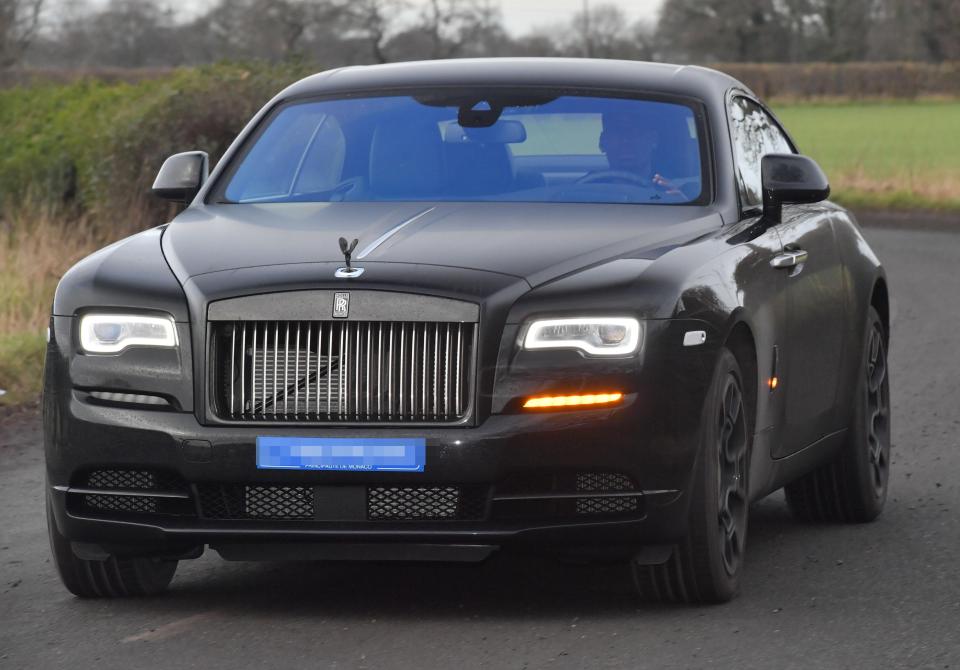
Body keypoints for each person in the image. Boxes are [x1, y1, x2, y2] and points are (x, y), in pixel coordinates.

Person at [596, 110, 679, 193]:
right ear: (602, 142)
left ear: (654, 139)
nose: (626, 140)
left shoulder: (677, 190)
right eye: (617, 132)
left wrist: (676, 200)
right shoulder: (585, 190)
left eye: (636, 132)